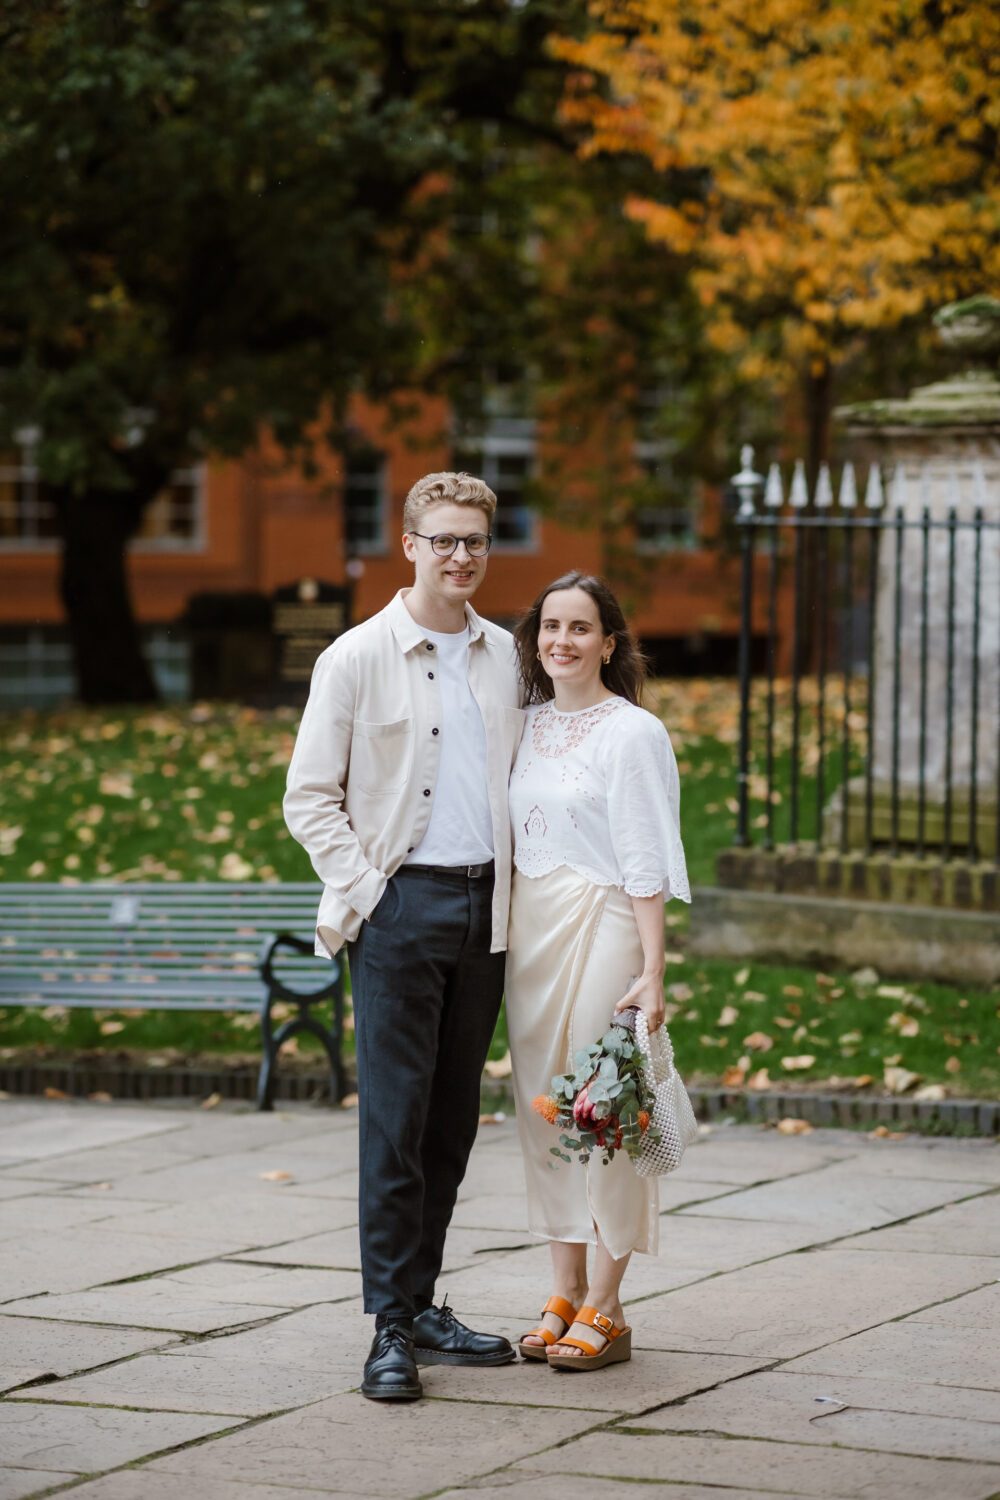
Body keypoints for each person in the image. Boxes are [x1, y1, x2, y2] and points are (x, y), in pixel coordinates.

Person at [284, 471, 524, 1401]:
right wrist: (368, 891)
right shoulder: (354, 657)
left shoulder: (509, 657)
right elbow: (309, 796)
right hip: (398, 910)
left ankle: (423, 1301)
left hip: (489, 915)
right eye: (445, 540)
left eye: (476, 542)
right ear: (411, 545)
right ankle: (388, 1325)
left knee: (451, 1123)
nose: (461, 556)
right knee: (394, 1123)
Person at [504, 570, 690, 1370]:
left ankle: (608, 1306)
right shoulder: (524, 725)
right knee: (541, 1111)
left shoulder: (632, 733)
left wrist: (653, 969)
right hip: (530, 934)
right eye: (551, 627)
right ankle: (564, 1287)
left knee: (603, 1110)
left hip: (605, 924)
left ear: (609, 644)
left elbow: (645, 854)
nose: (562, 642)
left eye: (581, 629)